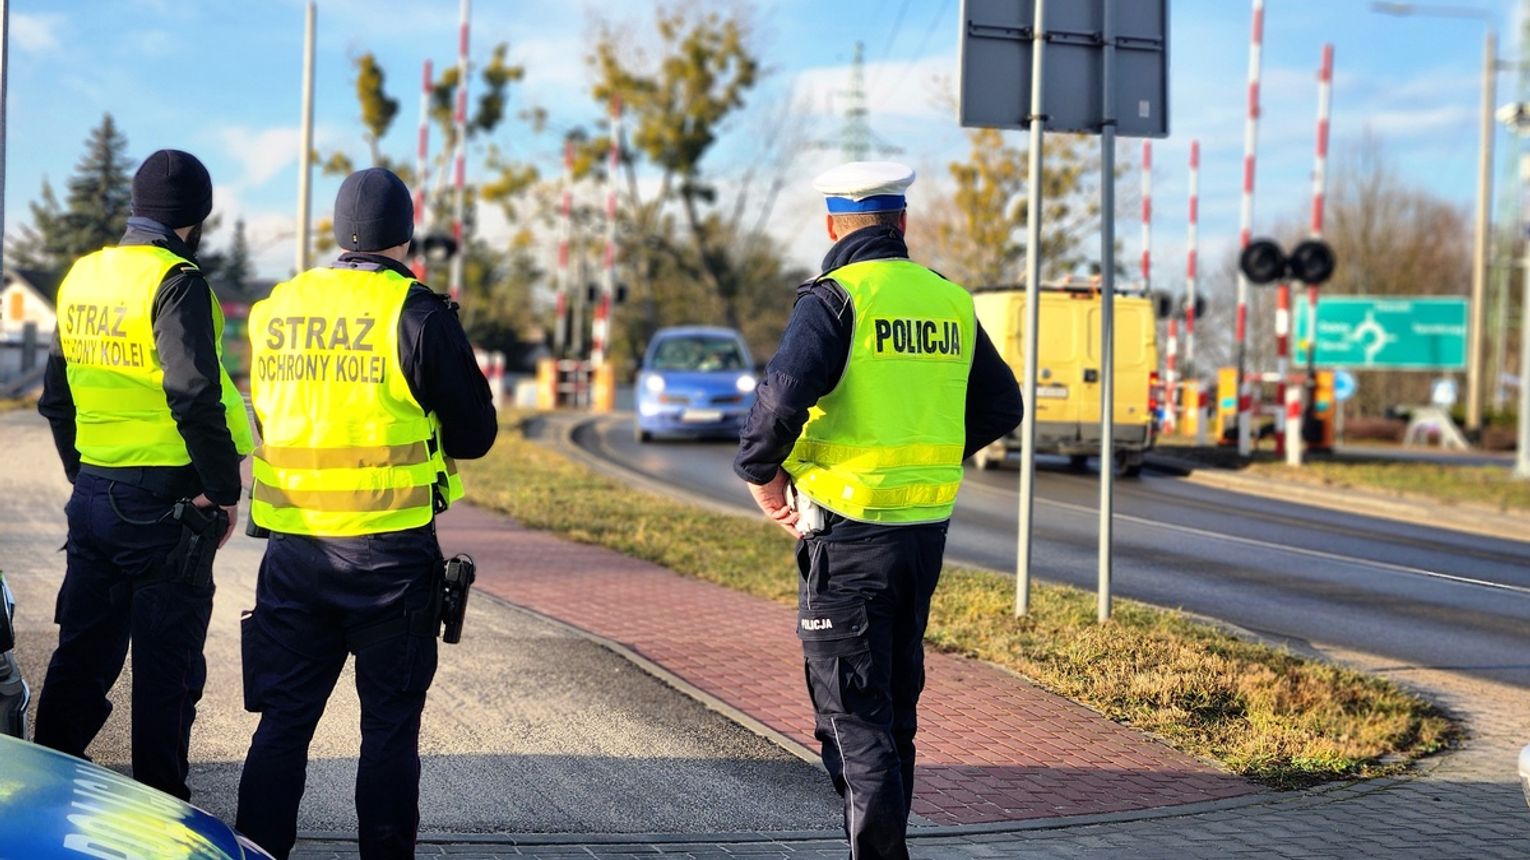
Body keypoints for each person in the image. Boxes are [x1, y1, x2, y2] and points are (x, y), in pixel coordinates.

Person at [734, 161, 1022, 860]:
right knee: (892, 717)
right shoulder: (949, 301)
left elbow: (779, 400)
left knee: (852, 721)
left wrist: (763, 476)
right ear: (902, 222)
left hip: (849, 534)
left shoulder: (835, 298)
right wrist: (928, 455)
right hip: (923, 536)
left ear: (832, 225)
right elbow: (1002, 405)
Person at [235, 167, 497, 859]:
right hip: (389, 562)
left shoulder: (276, 310)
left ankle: (257, 851)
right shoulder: (417, 313)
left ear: (338, 231)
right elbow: (475, 435)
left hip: (294, 553)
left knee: (282, 725)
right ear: (405, 235)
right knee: (388, 732)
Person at [35, 149, 254, 799]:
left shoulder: (83, 277)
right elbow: (193, 394)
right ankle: (162, 811)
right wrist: (222, 489)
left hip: (94, 496)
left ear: (137, 205)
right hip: (165, 507)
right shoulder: (177, 281)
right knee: (167, 671)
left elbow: (56, 397)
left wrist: (85, 473)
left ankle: (45, 798)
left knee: (81, 657)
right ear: (197, 216)